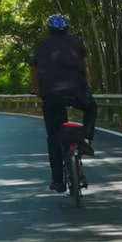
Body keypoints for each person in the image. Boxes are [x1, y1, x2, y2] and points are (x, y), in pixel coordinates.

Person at [31, 14, 97, 194]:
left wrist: (36, 89)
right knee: (91, 107)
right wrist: (87, 84)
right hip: (77, 90)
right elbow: (84, 65)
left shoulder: (41, 45)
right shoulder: (76, 41)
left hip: (51, 94)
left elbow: (34, 70)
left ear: (49, 29)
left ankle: (58, 181)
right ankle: (86, 138)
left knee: (53, 137)